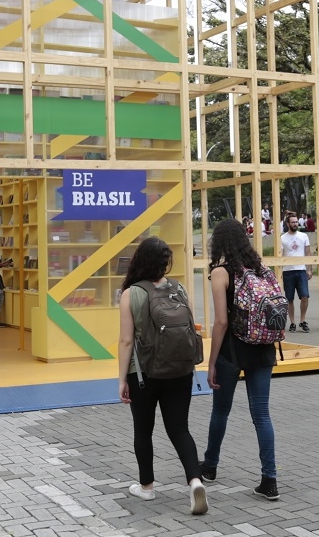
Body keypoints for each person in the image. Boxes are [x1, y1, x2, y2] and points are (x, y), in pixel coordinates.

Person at [116, 237, 208, 515]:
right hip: (180, 371)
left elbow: (125, 341)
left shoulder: (131, 293)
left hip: (144, 374)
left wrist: (122, 379)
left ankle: (146, 487)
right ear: (165, 262)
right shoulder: (179, 288)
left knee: (143, 430)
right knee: (180, 428)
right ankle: (194, 481)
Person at [201, 218, 280, 500]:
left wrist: (211, 363)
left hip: (231, 354)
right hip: (263, 350)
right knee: (262, 415)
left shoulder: (221, 273)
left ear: (218, 242)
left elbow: (221, 323)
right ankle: (269, 480)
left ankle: (209, 467)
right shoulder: (263, 270)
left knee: (220, 412)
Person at [279, 213, 311, 333]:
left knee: (304, 296)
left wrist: (309, 269)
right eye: (292, 222)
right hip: (288, 271)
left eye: (296, 222)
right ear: (288, 224)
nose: (295, 224)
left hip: (301, 270)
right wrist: (279, 272)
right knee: (289, 298)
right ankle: (292, 322)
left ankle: (302, 320)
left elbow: (308, 253)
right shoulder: (282, 238)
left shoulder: (304, 236)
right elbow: (280, 255)